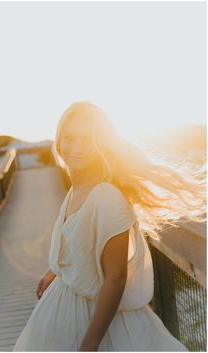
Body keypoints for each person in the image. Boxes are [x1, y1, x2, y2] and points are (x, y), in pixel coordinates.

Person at [12, 101, 206, 351]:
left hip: (97, 323)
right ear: (59, 141)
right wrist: (56, 270)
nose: (76, 148)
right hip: (66, 308)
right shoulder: (77, 189)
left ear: (99, 146)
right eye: (69, 138)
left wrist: (90, 343)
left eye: (86, 140)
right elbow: (78, 243)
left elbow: (116, 278)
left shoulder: (107, 198)